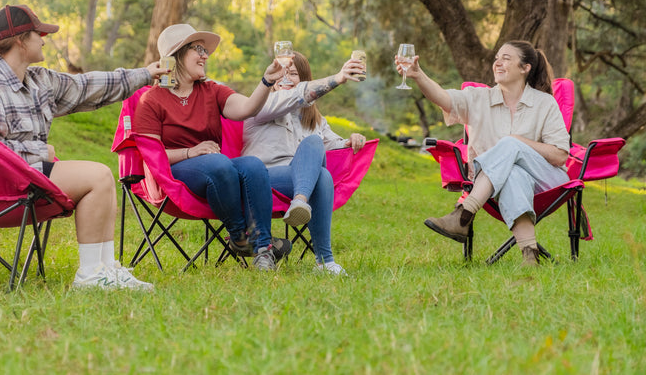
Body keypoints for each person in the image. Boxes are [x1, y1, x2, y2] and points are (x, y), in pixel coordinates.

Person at [0, 4, 164, 290]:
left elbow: (87, 86)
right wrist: (42, 154)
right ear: (20, 40)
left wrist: (144, 74)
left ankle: (105, 269)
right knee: (98, 176)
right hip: (3, 189)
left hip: (31, 177)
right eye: (38, 34)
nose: (44, 39)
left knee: (102, 177)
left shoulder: (39, 80)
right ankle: (90, 274)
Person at [133, 24, 291, 271]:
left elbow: (247, 108)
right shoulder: (151, 100)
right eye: (198, 49)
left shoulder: (211, 91)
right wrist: (190, 152)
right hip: (172, 174)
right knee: (218, 163)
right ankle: (240, 237)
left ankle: (262, 249)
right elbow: (149, 154)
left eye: (205, 50)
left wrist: (266, 81)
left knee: (252, 165)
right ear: (177, 55)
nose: (205, 55)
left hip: (217, 170)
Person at [398, 40, 570, 266]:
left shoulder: (545, 103)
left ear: (525, 67)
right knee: (513, 174)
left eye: (506, 58)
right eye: (497, 58)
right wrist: (418, 75)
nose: (498, 63)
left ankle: (464, 214)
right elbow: (443, 98)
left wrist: (518, 143)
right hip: (496, 183)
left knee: (511, 144)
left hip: (547, 182)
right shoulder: (478, 98)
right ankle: (530, 255)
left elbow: (559, 156)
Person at [241, 51, 368, 276]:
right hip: (263, 180)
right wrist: (338, 77)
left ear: (305, 78)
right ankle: (322, 253)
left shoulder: (314, 119)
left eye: (293, 73)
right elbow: (297, 97)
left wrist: (351, 140)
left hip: (299, 180)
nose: (286, 78)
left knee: (322, 170)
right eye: (280, 73)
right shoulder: (262, 105)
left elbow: (335, 144)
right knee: (318, 163)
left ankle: (324, 262)